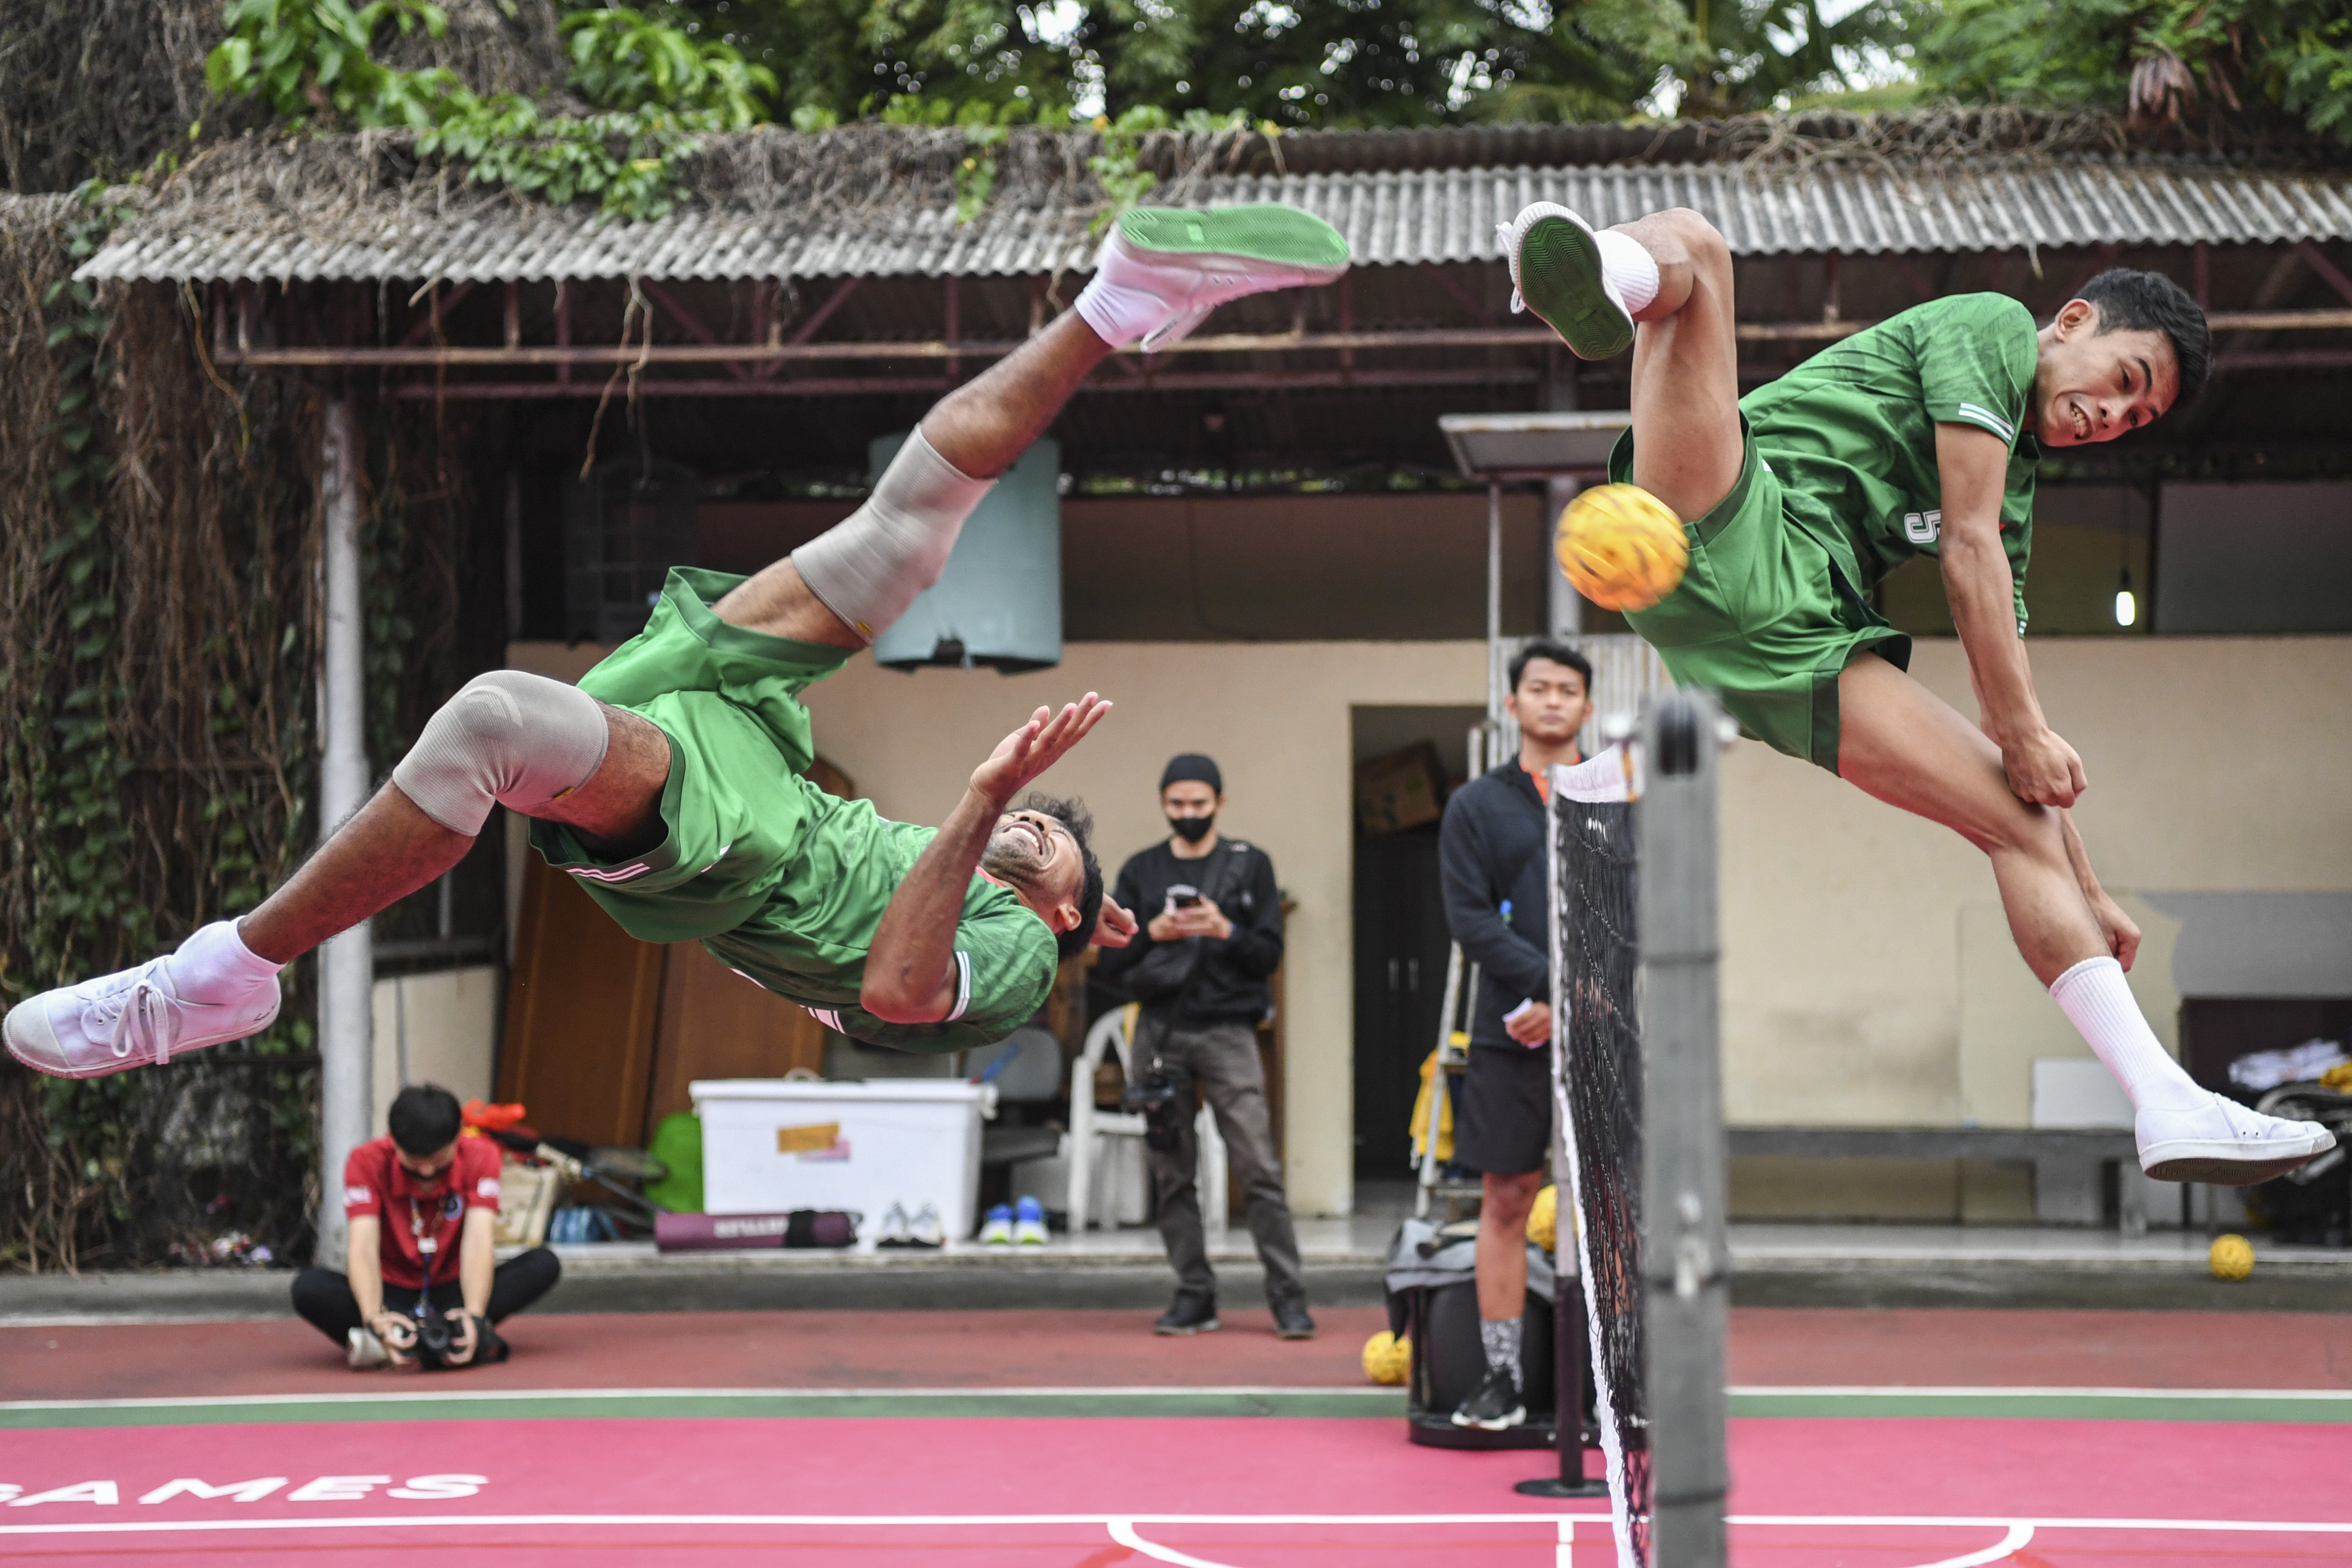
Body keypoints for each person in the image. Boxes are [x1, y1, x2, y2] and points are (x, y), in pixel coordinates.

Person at [5, 203, 1350, 1078]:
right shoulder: (1004, 876)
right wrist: (1035, 843)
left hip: (735, 849)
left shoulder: (1004, 960)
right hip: (756, 740)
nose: (1035, 826)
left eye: (1052, 842)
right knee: (904, 530)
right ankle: (1117, 302)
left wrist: (995, 797)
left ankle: (224, 975)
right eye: (1047, 820)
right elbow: (1013, 868)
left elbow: (895, 979)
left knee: (488, 722)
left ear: (1061, 914)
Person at [1494, 200, 2333, 1185]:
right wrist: (2027, 744)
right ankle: (1599, 274)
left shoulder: (2006, 489)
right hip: (1731, 515)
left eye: (2135, 419)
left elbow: (2006, 706)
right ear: (2069, 322)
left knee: (2019, 826)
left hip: (1783, 629)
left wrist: (2088, 887)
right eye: (2124, 380)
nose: (2112, 417)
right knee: (1699, 254)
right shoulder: (1986, 332)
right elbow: (1967, 560)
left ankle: (2164, 1102)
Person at [1095, 753, 1311, 1340]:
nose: (1188, 814)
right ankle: (1193, 1294)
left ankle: (1289, 1297)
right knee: (1171, 1170)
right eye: (1177, 804)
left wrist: (1225, 930)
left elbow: (1269, 954)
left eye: (1198, 803)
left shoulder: (1249, 866)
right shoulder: (1142, 871)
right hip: (1160, 1034)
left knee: (1257, 1166)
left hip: (1229, 1033)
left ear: (1219, 802)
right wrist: (1155, 934)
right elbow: (1108, 966)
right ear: (1163, 803)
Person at [1436, 641, 1594, 1430]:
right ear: (1513, 704)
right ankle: (1500, 1379)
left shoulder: (1618, 794)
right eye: (1538, 688)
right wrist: (1545, 990)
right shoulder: (1474, 805)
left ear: (1587, 708)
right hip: (1510, 1034)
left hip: (1602, 1030)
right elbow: (1468, 919)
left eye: (1568, 689)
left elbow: (1633, 917)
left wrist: (1575, 1001)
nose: (1553, 700)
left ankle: (1610, 1382)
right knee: (1505, 1199)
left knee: (1610, 1209)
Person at [291, 1083, 559, 1368]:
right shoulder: (365, 1160)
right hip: (391, 1292)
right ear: (393, 1142)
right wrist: (374, 1317)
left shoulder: (483, 1155)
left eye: (439, 1160)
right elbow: (363, 1247)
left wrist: (475, 1315)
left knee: (543, 1264)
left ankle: (460, 1332)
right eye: (415, 1162)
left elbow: (480, 1242)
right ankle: (390, 1335)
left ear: (457, 1139)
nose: (427, 1172)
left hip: (455, 1289)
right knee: (309, 1287)